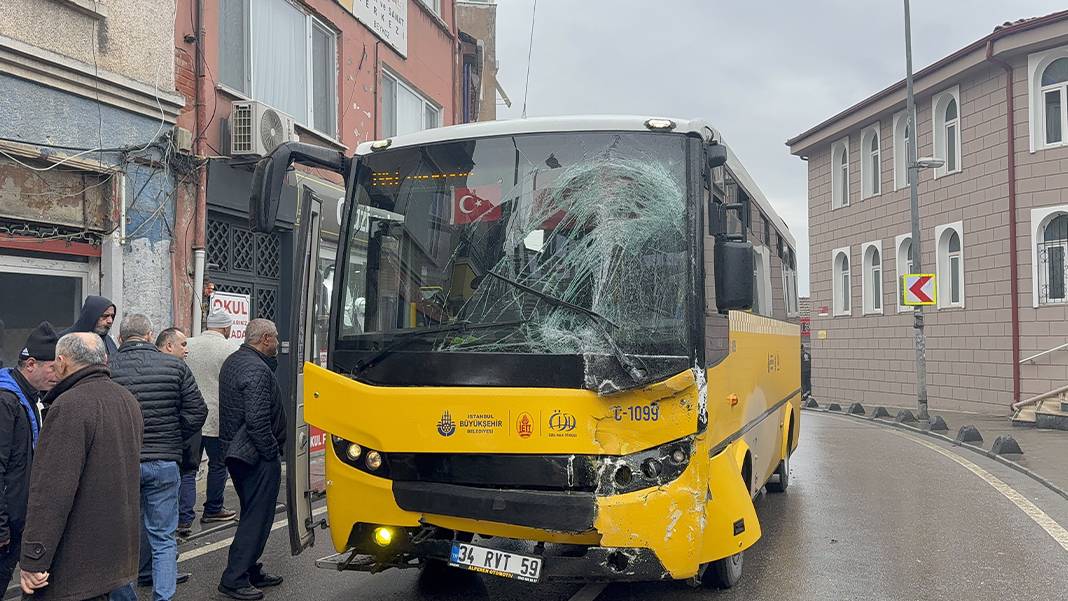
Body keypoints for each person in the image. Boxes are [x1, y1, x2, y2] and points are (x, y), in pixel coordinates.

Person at [19, 333, 142, 600]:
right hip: (115, 555)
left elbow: (51, 492)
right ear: (104, 359)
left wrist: (34, 557)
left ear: (62, 362)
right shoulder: (126, 399)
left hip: (75, 565)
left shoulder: (70, 406)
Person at [109, 315, 206, 601]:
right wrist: (174, 435)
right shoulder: (175, 366)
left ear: (120, 338)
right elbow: (197, 411)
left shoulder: (108, 368)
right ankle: (163, 596)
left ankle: (125, 596)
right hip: (164, 460)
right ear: (151, 336)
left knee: (122, 537)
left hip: (123, 461)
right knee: (163, 536)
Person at [217, 319, 285, 601]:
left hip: (238, 452)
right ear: (266, 339)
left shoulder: (235, 360)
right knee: (256, 518)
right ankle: (234, 578)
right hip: (254, 455)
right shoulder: (256, 369)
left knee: (251, 513)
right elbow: (257, 421)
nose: (278, 343)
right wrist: (270, 452)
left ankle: (249, 569)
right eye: (276, 338)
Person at [0, 323, 58, 588]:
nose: (57, 375)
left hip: (15, 520)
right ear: (31, 364)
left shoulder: (29, 397)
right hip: (6, 524)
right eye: (52, 368)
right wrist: (2, 527)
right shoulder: (7, 401)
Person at [178, 309, 239, 537]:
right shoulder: (230, 349)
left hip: (189, 417)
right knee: (218, 464)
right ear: (226, 328)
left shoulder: (186, 344)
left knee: (187, 467)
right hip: (216, 417)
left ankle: (183, 516)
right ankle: (213, 508)